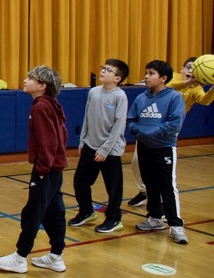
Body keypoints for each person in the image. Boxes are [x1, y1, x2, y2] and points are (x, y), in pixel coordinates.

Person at [0, 66, 68, 273]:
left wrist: (43, 168)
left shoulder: (40, 107)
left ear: (42, 85)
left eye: (30, 78)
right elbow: (62, 135)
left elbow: (49, 142)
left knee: (33, 213)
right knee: (54, 212)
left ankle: (20, 257)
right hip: (55, 168)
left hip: (47, 168)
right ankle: (56, 256)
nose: (25, 80)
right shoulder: (51, 104)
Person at [126, 56, 214, 207]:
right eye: (188, 67)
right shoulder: (172, 78)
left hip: (169, 129)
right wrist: (188, 82)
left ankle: (164, 202)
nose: (190, 71)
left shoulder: (196, 89)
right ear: (181, 69)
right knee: (136, 162)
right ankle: (144, 191)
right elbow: (169, 86)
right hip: (150, 124)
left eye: (194, 69)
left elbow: (205, 101)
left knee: (163, 170)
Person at [126, 60, 186, 244]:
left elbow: (174, 123)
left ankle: (176, 226)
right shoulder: (141, 98)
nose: (146, 76)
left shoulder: (174, 98)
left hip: (164, 148)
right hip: (144, 147)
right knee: (150, 183)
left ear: (163, 78)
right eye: (146, 72)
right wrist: (137, 131)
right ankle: (155, 218)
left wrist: (152, 132)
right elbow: (131, 120)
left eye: (151, 73)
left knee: (167, 185)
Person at [70, 59, 129, 233]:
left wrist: (105, 149)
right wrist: (83, 140)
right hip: (90, 145)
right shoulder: (93, 92)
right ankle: (86, 211)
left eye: (108, 70)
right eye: (103, 68)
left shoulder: (120, 96)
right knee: (80, 182)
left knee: (113, 187)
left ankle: (114, 218)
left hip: (110, 150)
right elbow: (87, 118)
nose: (103, 71)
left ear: (117, 78)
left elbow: (119, 125)